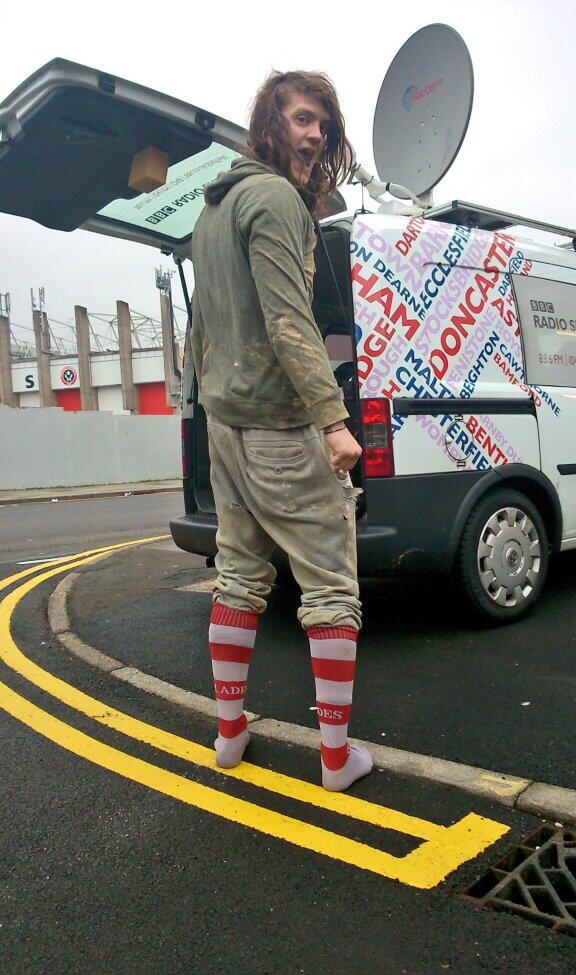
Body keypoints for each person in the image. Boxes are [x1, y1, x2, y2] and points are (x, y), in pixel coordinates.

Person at [190, 70, 373, 792]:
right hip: (278, 426)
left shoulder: (213, 211)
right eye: (301, 119)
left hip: (226, 426)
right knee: (331, 587)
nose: (315, 134)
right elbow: (289, 319)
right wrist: (334, 421)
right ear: (269, 123)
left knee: (238, 578)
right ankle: (335, 759)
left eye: (323, 124)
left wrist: (203, 401)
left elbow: (202, 325)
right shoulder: (273, 200)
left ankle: (229, 734)